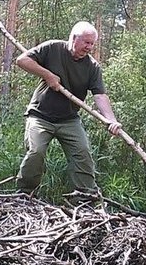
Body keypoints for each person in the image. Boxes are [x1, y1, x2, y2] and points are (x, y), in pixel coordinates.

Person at [14, 21, 122, 196]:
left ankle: (86, 198)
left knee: (83, 154)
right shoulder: (53, 48)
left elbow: (100, 95)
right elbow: (22, 60)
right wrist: (48, 75)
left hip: (69, 119)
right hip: (40, 116)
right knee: (36, 152)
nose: (89, 47)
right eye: (86, 42)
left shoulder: (92, 67)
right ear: (73, 38)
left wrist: (111, 120)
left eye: (92, 43)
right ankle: (25, 194)